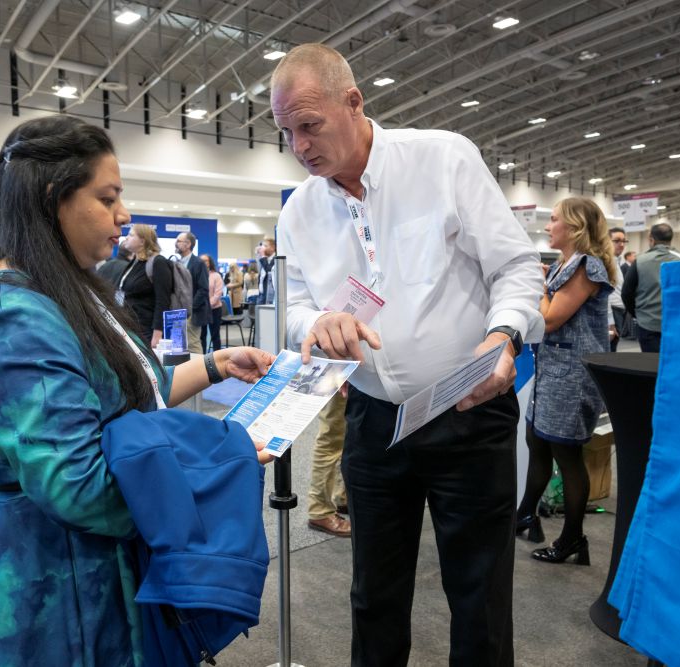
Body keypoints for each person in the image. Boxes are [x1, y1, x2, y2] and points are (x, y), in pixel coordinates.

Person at [0, 115, 275, 666]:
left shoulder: (60, 290)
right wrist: (215, 462)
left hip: (97, 564)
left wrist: (214, 364)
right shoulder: (12, 316)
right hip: (66, 582)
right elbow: (78, 486)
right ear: (52, 198)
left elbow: (138, 393)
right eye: (107, 197)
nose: (124, 215)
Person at [270, 44, 544, 666]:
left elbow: (517, 267)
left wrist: (504, 336)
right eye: (286, 132)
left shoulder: (443, 158)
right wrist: (317, 321)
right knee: (374, 595)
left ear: (354, 102)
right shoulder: (300, 211)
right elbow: (292, 309)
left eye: (309, 125)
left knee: (478, 599)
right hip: (375, 421)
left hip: (468, 411)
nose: (300, 146)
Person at [515, 198, 615, 566]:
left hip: (570, 376)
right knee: (536, 442)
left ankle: (573, 538)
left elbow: (551, 319)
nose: (547, 226)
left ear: (574, 226)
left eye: (553, 220)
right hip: (552, 371)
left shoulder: (588, 266)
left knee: (567, 457)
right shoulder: (565, 264)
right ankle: (526, 513)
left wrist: (538, 287)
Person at [621, 222, 680, 352]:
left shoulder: (640, 261)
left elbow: (626, 293)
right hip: (677, 323)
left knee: (649, 366)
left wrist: (638, 314)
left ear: (651, 239)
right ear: (671, 239)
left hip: (647, 324)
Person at [117, 223, 172, 349]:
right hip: (130, 325)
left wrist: (158, 334)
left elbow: (163, 300)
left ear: (142, 241)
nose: (126, 238)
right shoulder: (134, 262)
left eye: (131, 235)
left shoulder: (158, 262)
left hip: (147, 330)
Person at [307, 391, 350, 537]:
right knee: (332, 435)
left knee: (349, 428)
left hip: (359, 373)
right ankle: (319, 510)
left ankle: (342, 497)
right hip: (339, 371)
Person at [174, 231, 210, 353]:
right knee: (180, 346)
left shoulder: (198, 263)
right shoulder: (177, 263)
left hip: (192, 314)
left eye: (179, 241)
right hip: (178, 313)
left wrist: (190, 308)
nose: (176, 244)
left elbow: (203, 289)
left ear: (188, 244)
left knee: (192, 345)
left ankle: (200, 371)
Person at [607, 227, 628, 351]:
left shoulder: (616, 261)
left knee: (612, 348)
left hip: (619, 311)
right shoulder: (606, 262)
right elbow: (605, 294)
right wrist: (610, 321)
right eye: (617, 241)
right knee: (609, 350)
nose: (621, 244)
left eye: (624, 241)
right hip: (613, 312)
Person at [199, 254, 224, 352]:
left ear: (210, 263)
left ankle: (218, 358)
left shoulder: (216, 276)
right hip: (202, 310)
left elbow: (218, 294)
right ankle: (202, 357)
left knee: (215, 335)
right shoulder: (198, 275)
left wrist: (207, 305)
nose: (203, 263)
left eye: (206, 261)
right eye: (201, 260)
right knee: (202, 336)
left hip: (214, 309)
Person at [256, 236, 276, 305]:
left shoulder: (276, 259)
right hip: (261, 294)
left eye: (265, 246)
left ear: (273, 248)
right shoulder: (264, 259)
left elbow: (269, 271)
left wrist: (263, 256)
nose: (263, 248)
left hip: (270, 296)